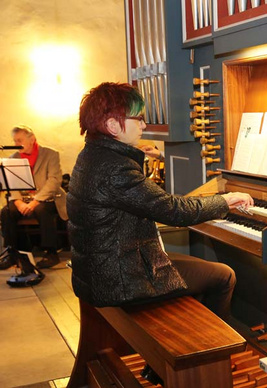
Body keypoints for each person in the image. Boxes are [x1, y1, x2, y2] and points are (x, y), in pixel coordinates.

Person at [67, 82, 253, 320]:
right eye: (139, 118)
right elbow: (174, 211)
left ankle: (190, 340)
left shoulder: (92, 155)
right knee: (224, 276)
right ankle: (210, 351)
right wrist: (225, 201)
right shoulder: (115, 168)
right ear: (113, 125)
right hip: (119, 280)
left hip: (100, 271)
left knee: (193, 272)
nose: (144, 125)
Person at [0, 125, 66, 270]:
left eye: (19, 140)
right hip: (23, 198)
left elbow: (54, 180)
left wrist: (36, 201)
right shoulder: (13, 158)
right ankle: (13, 253)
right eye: (15, 141)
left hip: (48, 197)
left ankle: (51, 252)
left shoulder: (50, 154)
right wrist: (18, 202)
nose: (16, 144)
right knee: (6, 211)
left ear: (32, 139)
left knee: (42, 210)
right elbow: (11, 183)